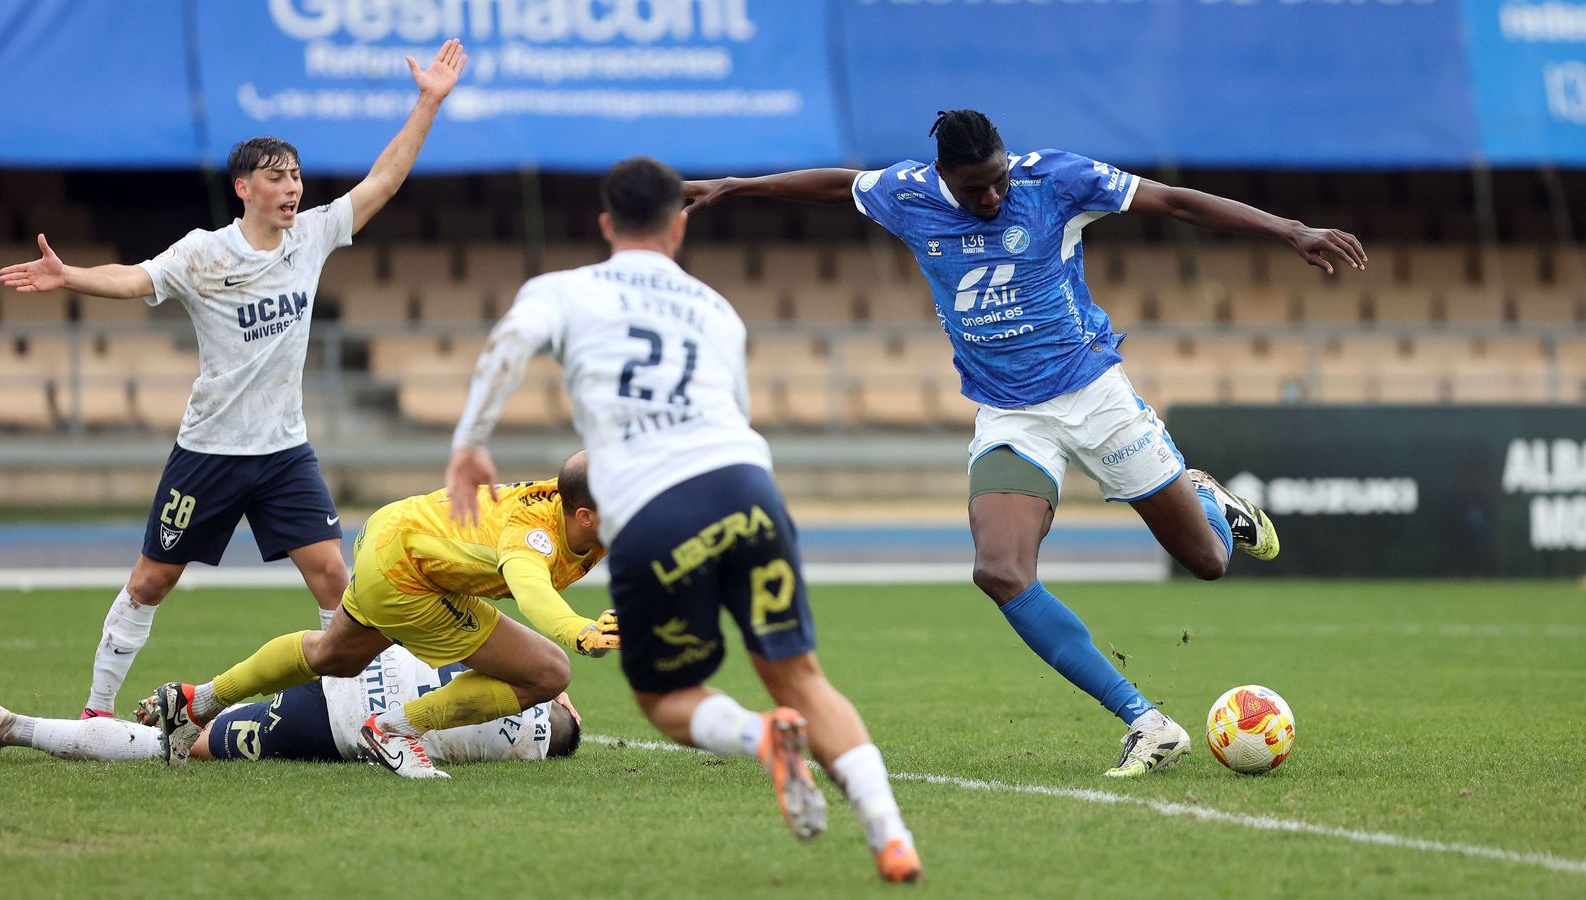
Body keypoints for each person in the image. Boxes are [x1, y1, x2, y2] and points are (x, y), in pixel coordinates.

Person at [681, 109, 1368, 778]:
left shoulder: (1055, 181)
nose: (992, 196)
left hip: (1095, 396)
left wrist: (1292, 229)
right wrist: (733, 188)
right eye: (974, 187)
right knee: (999, 569)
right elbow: (838, 183)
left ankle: (1203, 494)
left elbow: (1175, 202)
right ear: (942, 176)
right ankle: (1146, 721)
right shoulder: (908, 194)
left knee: (1210, 561)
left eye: (998, 180)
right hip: (1011, 415)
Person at [443, 157, 922, 883]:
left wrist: (469, 444)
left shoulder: (566, 289)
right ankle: (891, 835)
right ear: (680, 222)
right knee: (803, 677)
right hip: (748, 488)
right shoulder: (716, 309)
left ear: (606, 225)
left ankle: (762, 737)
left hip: (653, 510)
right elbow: (734, 411)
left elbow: (507, 345)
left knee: (666, 699)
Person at [0, 41, 471, 722]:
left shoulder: (311, 238)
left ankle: (364, 705)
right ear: (244, 186)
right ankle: (98, 712)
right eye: (277, 178)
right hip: (210, 452)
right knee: (152, 580)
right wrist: (70, 276)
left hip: (284, 454)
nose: (293, 188)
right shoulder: (203, 251)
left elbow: (384, 182)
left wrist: (427, 102)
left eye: (298, 176)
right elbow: (137, 280)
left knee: (337, 578)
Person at [148, 451, 617, 780]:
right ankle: (393, 731)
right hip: (408, 577)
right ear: (584, 515)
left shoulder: (576, 518)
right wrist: (580, 630)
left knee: (335, 655)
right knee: (549, 671)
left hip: (389, 535)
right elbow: (532, 590)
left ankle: (197, 701)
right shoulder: (533, 536)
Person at [0, 645, 580, 765]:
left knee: (209, 719)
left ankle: (203, 696)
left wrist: (555, 688)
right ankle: (14, 728)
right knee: (191, 750)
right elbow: (548, 726)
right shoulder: (529, 751)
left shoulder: (522, 675)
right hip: (339, 727)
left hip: (358, 664)